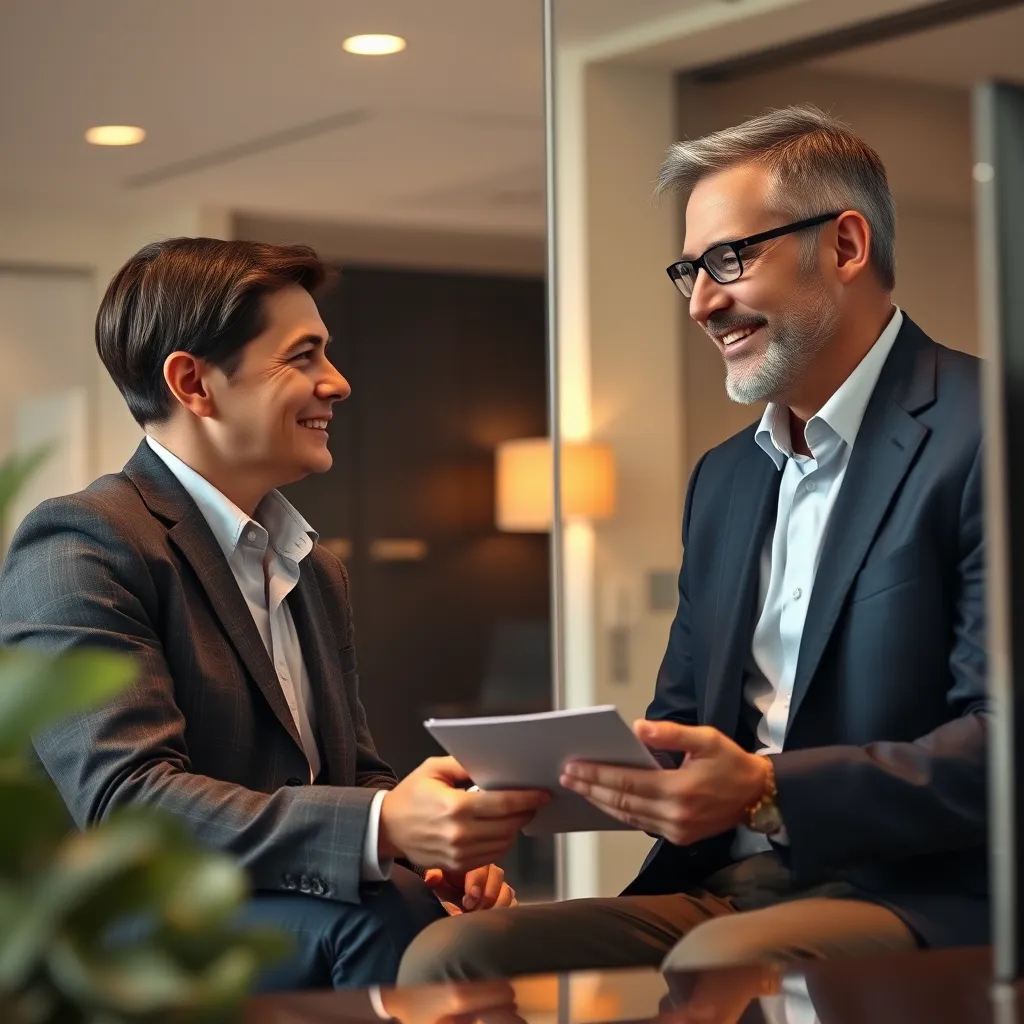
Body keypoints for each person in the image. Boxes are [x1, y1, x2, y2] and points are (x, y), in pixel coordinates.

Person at [397, 103, 987, 983]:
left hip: (921, 889)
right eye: (689, 270)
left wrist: (770, 789)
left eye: (728, 260)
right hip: (725, 880)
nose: (703, 302)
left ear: (847, 246)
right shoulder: (725, 478)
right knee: (458, 951)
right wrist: (554, 787)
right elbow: (682, 725)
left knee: (717, 964)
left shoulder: (987, 433)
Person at [0, 238, 549, 990]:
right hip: (126, 932)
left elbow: (351, 774)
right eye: (304, 357)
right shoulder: (83, 541)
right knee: (385, 919)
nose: (339, 383)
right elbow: (126, 802)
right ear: (194, 383)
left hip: (280, 902)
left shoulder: (315, 569)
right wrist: (381, 828)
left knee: (442, 914)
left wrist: (424, 853)